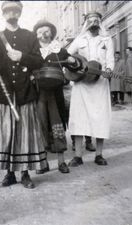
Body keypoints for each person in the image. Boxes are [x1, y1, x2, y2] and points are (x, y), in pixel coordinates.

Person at [0, 1, 47, 189]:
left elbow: (39, 62)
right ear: (3, 14)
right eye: (7, 11)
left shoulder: (29, 36)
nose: (11, 14)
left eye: (15, 11)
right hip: (4, 93)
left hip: (24, 92)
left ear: (19, 13)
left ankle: (25, 174)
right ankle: (9, 174)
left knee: (25, 135)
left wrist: (21, 56)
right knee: (7, 135)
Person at [33, 20, 81, 174]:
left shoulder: (59, 50)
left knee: (57, 125)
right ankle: (43, 163)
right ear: (36, 34)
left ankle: (61, 162)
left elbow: (74, 65)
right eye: (40, 31)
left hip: (55, 93)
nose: (43, 34)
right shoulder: (33, 51)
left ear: (51, 33)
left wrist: (74, 61)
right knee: (41, 126)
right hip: (39, 93)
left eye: (46, 31)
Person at [67, 11, 114, 167]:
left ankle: (99, 155)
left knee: (100, 118)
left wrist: (109, 71)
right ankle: (78, 156)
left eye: (96, 20)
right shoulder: (80, 39)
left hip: (100, 84)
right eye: (90, 21)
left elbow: (110, 61)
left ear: (100, 23)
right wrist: (75, 68)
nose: (93, 23)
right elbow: (67, 55)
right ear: (86, 23)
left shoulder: (106, 39)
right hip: (81, 84)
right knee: (79, 118)